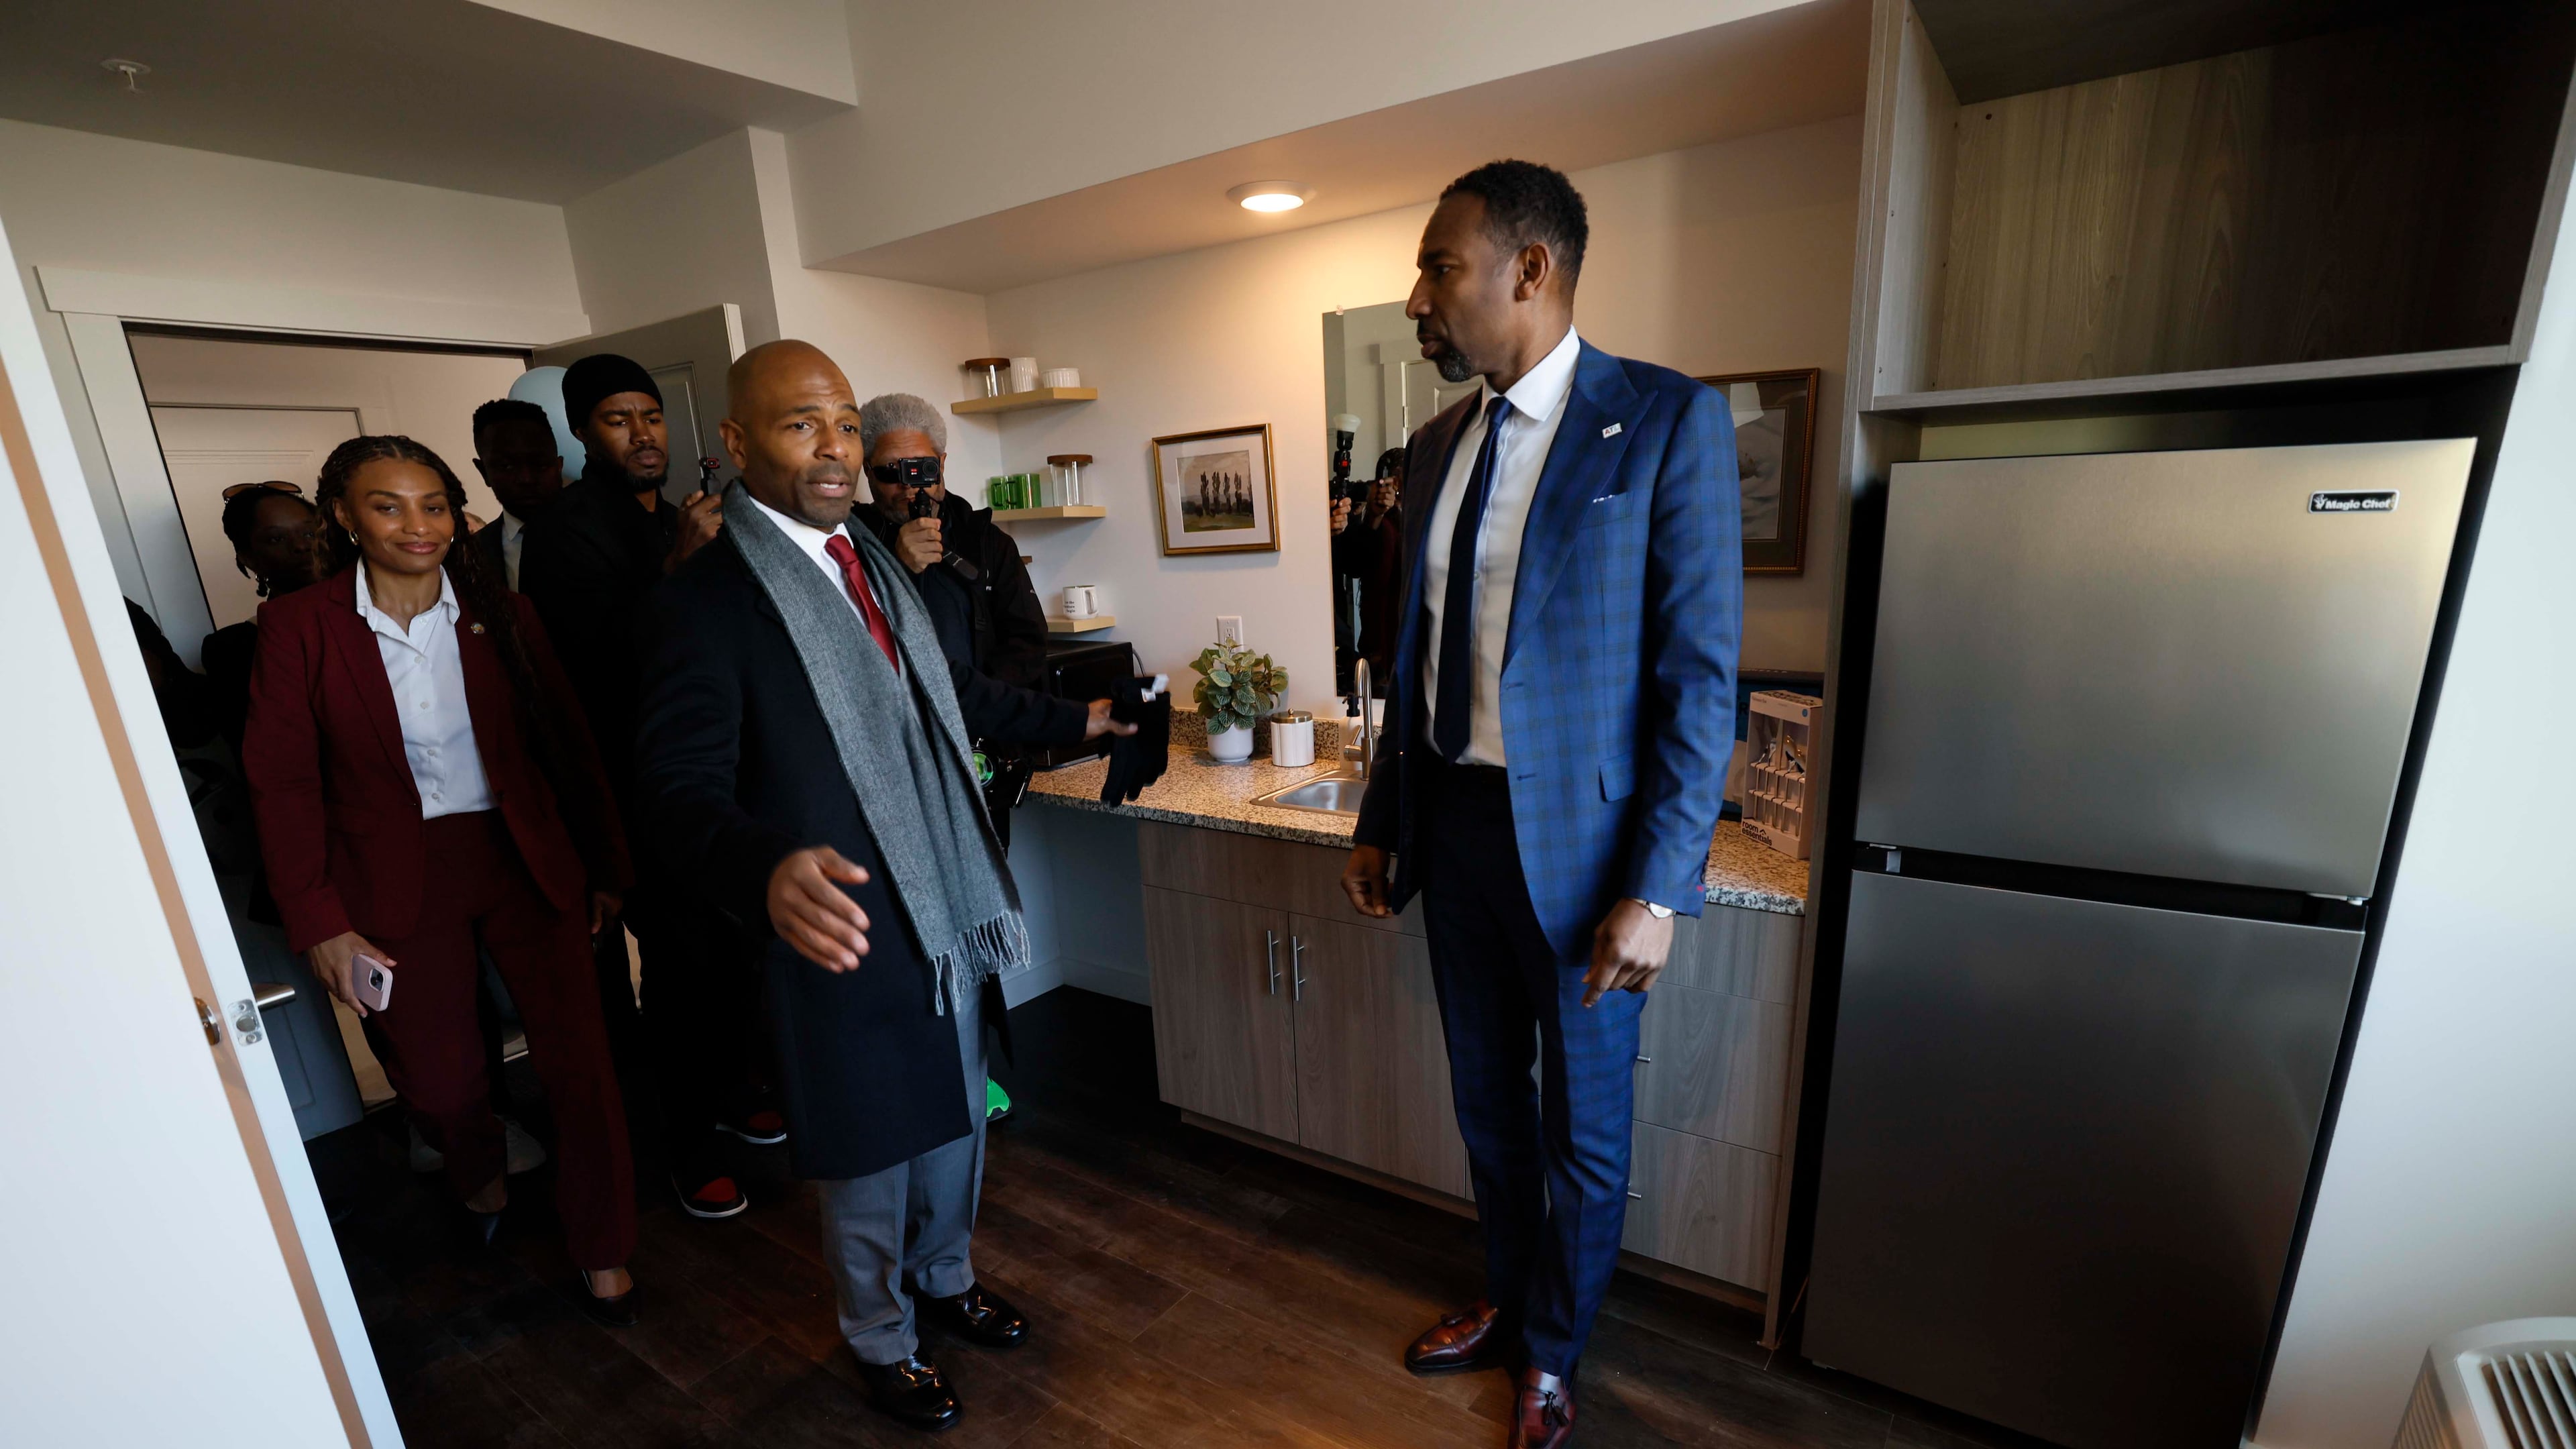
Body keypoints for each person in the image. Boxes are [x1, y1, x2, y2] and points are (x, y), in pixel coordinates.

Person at [633, 339, 1132, 1433]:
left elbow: (950, 695)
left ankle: (946, 1281)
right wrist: (763, 867)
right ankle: (880, 1335)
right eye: (800, 424)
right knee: (868, 1145)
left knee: (956, 1117)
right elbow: (671, 789)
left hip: (940, 902)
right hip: (836, 921)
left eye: (846, 424)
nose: (835, 450)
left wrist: (1079, 721)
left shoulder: (872, 559)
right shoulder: (707, 603)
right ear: (735, 442)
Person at [1342, 160, 1741, 1449]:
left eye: (1439, 266)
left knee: (1587, 1122)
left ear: (1532, 269)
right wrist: (1381, 817)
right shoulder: (1436, 442)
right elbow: (1415, 656)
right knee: (1487, 1105)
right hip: (1454, 830)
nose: (1418, 297)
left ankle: (1555, 1349)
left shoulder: (1668, 423)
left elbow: (1698, 676)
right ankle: (1506, 1297)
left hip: (1585, 857)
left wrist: (1662, 887)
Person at [241, 435, 643, 1326]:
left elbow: (567, 748)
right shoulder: (301, 626)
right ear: (344, 516)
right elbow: (283, 781)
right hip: (391, 874)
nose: (416, 526)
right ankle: (479, 1171)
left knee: (582, 1065)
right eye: (387, 505)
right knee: (442, 1080)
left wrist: (606, 868)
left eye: (432, 504)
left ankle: (604, 1242)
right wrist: (320, 921)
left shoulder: (503, 614)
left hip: (522, 857)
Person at [515, 354, 755, 1219]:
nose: (642, 434)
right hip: (633, 797)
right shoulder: (561, 533)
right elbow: (589, 674)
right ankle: (688, 1148)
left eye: (650, 415)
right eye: (618, 419)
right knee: (683, 968)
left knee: (735, 951)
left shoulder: (681, 514)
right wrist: (679, 568)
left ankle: (733, 1094)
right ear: (583, 432)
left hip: (716, 779)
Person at [853, 392, 1049, 691]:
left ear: (941, 464)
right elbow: (845, 641)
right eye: (892, 471)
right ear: (867, 470)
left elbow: (1027, 644)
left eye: (923, 469)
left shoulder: (987, 542)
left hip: (980, 722)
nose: (909, 485)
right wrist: (897, 567)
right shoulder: (848, 541)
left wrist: (979, 706)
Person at [201, 482, 331, 755]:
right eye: (276, 538)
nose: (301, 546)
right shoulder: (234, 648)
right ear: (248, 558)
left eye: (309, 532)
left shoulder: (381, 616)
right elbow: (265, 754)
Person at [466, 398, 568, 590]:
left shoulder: (608, 530)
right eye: (507, 466)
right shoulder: (469, 556)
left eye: (540, 464)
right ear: (483, 472)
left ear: (559, 466)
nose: (526, 479)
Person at [1331, 447, 1408, 687]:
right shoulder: (1382, 527)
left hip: (1399, 643)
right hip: (1381, 647)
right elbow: (1355, 566)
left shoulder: (1418, 518)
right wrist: (1373, 516)